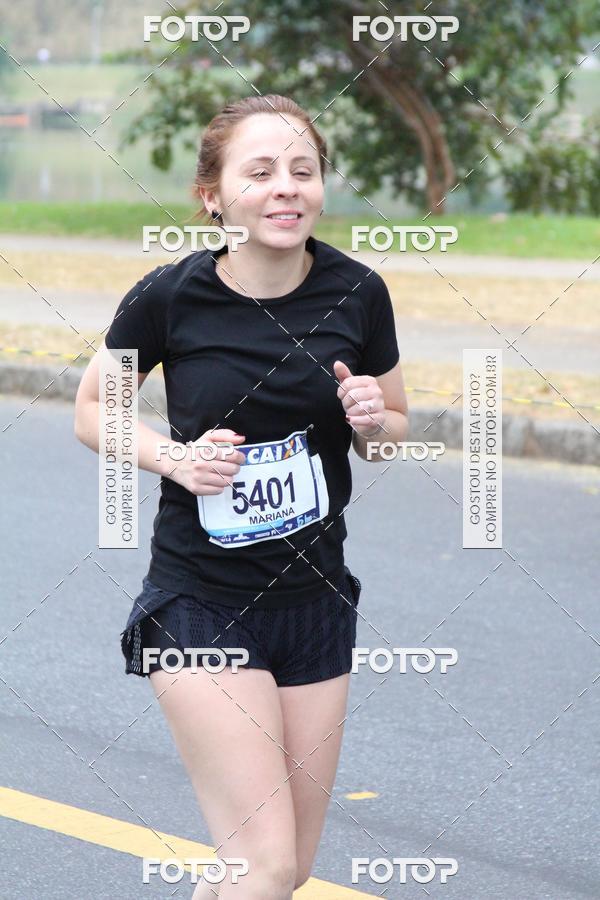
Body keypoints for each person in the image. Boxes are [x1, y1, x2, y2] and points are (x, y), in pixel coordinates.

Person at [74, 94, 409, 899]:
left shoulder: (358, 292)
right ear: (213, 196)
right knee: (261, 863)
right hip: (200, 601)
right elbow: (93, 411)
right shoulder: (168, 295)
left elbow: (391, 424)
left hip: (316, 604)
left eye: (303, 169)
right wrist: (177, 460)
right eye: (260, 172)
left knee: (277, 871)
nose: (286, 187)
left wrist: (373, 416)